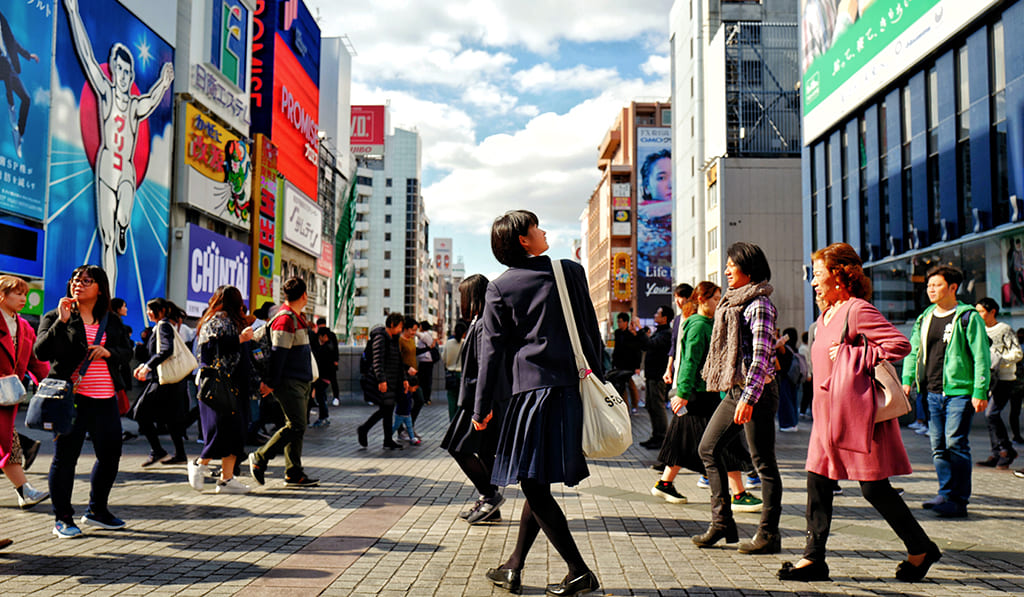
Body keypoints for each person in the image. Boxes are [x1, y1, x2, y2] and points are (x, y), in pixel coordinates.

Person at [778, 242, 941, 582]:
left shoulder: (857, 310)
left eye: (818, 274)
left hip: (857, 417)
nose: (813, 281)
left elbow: (900, 344)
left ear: (839, 276)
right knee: (817, 482)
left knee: (873, 489)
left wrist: (856, 354)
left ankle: (920, 548)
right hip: (827, 417)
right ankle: (813, 559)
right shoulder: (825, 316)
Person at [477, 210, 601, 597]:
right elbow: (590, 332)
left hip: (529, 394)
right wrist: (598, 381)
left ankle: (578, 571)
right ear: (522, 241)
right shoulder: (569, 272)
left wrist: (481, 407)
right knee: (537, 481)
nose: (543, 230)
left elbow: (490, 353)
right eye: (535, 227)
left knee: (533, 483)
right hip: (567, 391)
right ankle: (513, 566)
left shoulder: (499, 288)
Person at [63, 0, 174, 290]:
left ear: (132, 75)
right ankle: (107, 297)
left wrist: (164, 82)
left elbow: (151, 100)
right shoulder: (106, 94)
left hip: (125, 171)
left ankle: (124, 225)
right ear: (112, 70)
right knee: (107, 240)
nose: (123, 77)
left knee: (122, 216)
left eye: (128, 72)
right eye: (119, 70)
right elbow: (86, 57)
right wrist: (74, 12)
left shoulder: (134, 106)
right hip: (104, 167)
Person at [694, 242, 783, 555]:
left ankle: (769, 535)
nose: (727, 270)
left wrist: (748, 397)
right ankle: (721, 523)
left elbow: (761, 357)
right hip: (736, 389)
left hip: (756, 390)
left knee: (763, 463)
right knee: (708, 448)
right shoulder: (731, 304)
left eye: (732, 265)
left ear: (749, 268)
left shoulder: (759, 304)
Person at [35, 265, 132, 538]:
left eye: (87, 281)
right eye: (76, 280)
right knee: (66, 458)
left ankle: (97, 511)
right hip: (71, 399)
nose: (79, 284)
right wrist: (62, 321)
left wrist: (108, 352)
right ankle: (62, 518)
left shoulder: (110, 320)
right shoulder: (55, 315)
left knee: (110, 455)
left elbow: (128, 349)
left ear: (100, 288)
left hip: (105, 398)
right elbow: (41, 352)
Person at [651, 282, 762, 514]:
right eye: (714, 298)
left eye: (720, 298)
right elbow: (690, 361)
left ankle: (665, 483)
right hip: (701, 394)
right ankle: (738, 493)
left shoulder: (706, 323)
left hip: (704, 393)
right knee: (726, 441)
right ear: (702, 300)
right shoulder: (700, 326)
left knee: (685, 441)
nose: (718, 302)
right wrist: (682, 393)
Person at [900, 265, 990, 518]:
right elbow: (913, 349)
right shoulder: (926, 316)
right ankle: (945, 491)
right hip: (931, 391)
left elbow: (981, 355)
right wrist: (907, 379)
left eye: (936, 285)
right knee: (938, 445)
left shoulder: (968, 317)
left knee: (955, 443)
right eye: (928, 285)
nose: (930, 289)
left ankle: (958, 499)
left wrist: (980, 389)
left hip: (959, 392)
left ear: (953, 288)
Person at [442, 275, 507, 525]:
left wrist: (482, 407)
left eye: (463, 295)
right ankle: (491, 505)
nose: (461, 301)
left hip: (478, 401)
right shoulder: (483, 320)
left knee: (457, 446)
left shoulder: (483, 324)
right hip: (485, 399)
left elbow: (485, 367)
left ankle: (490, 496)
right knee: (486, 452)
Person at [248, 277, 318, 488]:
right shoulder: (285, 319)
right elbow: (279, 355)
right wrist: (271, 382)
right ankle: (260, 458)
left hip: (300, 380)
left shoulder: (296, 317)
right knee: (297, 424)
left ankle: (293, 472)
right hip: (289, 381)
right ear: (304, 295)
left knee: (296, 426)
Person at [188, 285, 254, 494]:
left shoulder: (233, 321)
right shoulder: (216, 321)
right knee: (221, 431)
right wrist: (239, 339)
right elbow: (209, 348)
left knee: (237, 433)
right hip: (219, 385)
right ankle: (200, 465)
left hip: (234, 385)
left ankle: (227, 479)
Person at [0, 275, 50, 513]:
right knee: (8, 444)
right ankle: (25, 491)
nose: (23, 298)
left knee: (9, 444)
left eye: (24, 293)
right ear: (2, 295)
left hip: (8, 397)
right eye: (17, 293)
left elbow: (36, 362)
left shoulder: (25, 327)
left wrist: (47, 384)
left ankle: (25, 491)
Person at [132, 298, 188, 466]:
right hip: (169, 381)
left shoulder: (163, 326)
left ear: (161, 311)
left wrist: (147, 367)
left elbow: (166, 350)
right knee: (171, 419)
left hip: (162, 381)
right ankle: (179, 454)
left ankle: (158, 450)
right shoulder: (164, 325)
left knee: (140, 412)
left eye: (151, 310)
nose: (148, 313)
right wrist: (145, 365)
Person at [974, 297, 1021, 469]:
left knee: (991, 414)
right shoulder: (979, 330)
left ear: (992, 311)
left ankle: (1006, 450)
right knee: (989, 416)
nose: (978, 315)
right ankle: (996, 453)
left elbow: (1017, 352)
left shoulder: (1004, 329)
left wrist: (1000, 359)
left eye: (981, 311)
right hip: (987, 378)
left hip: (1004, 378)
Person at [357, 313, 407, 451]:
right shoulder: (380, 338)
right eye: (400, 326)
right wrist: (381, 380)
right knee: (386, 409)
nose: (401, 330)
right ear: (392, 324)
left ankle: (386, 439)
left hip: (392, 380)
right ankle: (365, 430)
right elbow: (377, 361)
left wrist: (404, 379)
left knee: (387, 410)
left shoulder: (394, 338)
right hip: (383, 380)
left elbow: (399, 361)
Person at [0, 8, 40, 158]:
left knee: (26, 99)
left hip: (8, 66)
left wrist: (28, 55)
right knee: (7, 82)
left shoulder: (3, 25)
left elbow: (13, 43)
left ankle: (20, 135)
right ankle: (11, 112)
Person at [639, 305, 672, 449]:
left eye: (658, 313)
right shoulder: (659, 332)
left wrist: (640, 329)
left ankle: (662, 437)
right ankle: (655, 435)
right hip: (652, 375)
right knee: (651, 406)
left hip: (658, 376)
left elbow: (649, 344)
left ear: (664, 318)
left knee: (657, 407)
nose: (655, 315)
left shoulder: (666, 334)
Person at [610, 312, 643, 413]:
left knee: (631, 385)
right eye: (617, 321)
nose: (618, 324)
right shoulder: (617, 333)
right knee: (622, 385)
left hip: (629, 364)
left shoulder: (631, 335)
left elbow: (637, 351)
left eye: (620, 322)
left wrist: (637, 366)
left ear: (626, 322)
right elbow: (616, 349)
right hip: (619, 364)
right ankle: (625, 407)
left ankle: (634, 405)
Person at [776, 327, 800, 432]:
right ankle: (793, 422)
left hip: (784, 376)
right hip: (793, 376)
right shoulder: (794, 348)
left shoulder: (784, 347)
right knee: (793, 399)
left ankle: (787, 423)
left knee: (785, 401)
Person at [442, 321, 467, 421]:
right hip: (461, 374)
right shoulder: (465, 343)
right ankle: (458, 421)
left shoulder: (448, 343)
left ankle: (452, 421)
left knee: (451, 400)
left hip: (450, 374)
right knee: (460, 400)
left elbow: (443, 358)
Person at [313, 317, 340, 410]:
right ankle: (323, 399)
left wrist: (336, 360)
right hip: (323, 363)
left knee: (333, 381)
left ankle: (335, 397)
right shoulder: (317, 336)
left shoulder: (331, 335)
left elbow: (336, 348)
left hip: (330, 362)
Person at [416, 320, 439, 406]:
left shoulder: (425, 335)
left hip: (426, 361)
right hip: (427, 361)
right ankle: (426, 398)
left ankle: (425, 398)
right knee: (426, 380)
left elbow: (418, 335)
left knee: (424, 381)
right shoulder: (428, 335)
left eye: (420, 326)